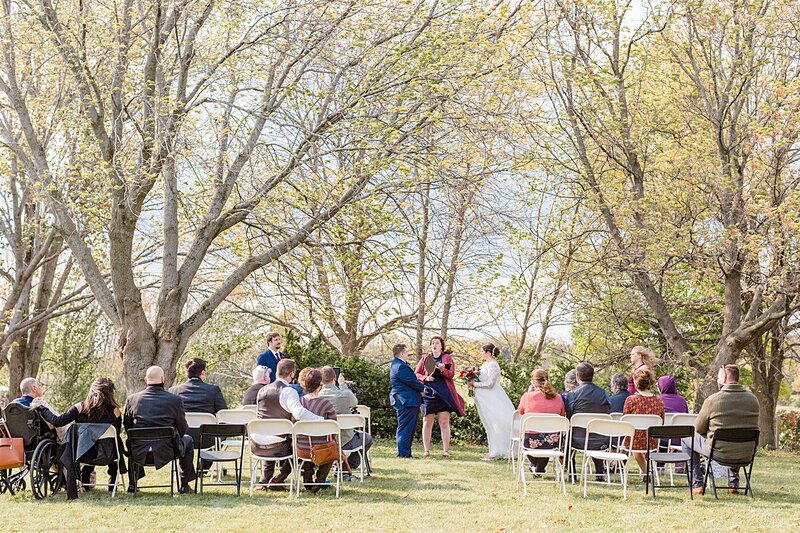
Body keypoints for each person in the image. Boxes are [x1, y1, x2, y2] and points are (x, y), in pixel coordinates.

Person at [35, 377, 126, 499]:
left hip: (83, 454)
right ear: (110, 392)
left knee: (90, 442)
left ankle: (85, 480)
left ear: (91, 391)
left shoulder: (81, 407)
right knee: (114, 442)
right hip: (108, 455)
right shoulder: (115, 411)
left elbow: (57, 421)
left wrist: (43, 409)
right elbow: (117, 433)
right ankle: (112, 481)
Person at [682, 365, 759, 495]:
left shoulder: (713, 400)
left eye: (718, 376)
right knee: (736, 438)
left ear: (723, 378)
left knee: (686, 439)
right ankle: (733, 484)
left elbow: (699, 428)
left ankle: (697, 484)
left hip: (719, 452)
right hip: (746, 452)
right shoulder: (753, 400)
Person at [123, 366, 196, 494]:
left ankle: (132, 485)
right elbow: (182, 428)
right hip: (167, 450)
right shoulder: (175, 400)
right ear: (163, 379)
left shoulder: (132, 400)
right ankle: (184, 485)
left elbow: (127, 427)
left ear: (146, 380)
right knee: (188, 440)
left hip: (139, 452)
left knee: (132, 440)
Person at [253, 358, 322, 490]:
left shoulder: (262, 390)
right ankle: (284, 480)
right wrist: (319, 419)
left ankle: (265, 480)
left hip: (257, 443)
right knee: (301, 446)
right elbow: (298, 413)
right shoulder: (289, 391)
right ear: (292, 374)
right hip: (278, 445)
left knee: (272, 435)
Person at [415, 336, 465, 458]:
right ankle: (426, 450)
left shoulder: (447, 358)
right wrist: (425, 378)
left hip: (444, 393)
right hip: (428, 393)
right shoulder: (425, 358)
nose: (434, 345)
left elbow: (451, 374)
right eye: (432, 343)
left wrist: (443, 371)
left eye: (437, 343)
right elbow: (416, 373)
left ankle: (446, 451)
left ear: (441, 346)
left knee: (444, 422)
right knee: (427, 422)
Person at [318, 366, 372, 476]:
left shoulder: (317, 396)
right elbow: (354, 402)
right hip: (345, 439)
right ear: (335, 377)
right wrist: (343, 385)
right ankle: (346, 467)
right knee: (367, 439)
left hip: (323, 440)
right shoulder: (344, 395)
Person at [295, 368, 338, 493]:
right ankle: (320, 480)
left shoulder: (298, 403)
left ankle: (307, 480)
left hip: (302, 450)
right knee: (331, 448)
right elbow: (334, 427)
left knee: (309, 444)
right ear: (320, 385)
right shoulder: (326, 404)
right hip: (323, 450)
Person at [469, 343, 515, 460]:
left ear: (488, 352)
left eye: (482, 351)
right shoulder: (485, 364)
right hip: (485, 398)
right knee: (489, 424)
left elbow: (490, 383)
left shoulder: (493, 365)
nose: (480, 353)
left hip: (493, 398)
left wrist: (475, 384)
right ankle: (493, 450)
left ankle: (497, 451)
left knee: (496, 422)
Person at [517, 369, 566, 474]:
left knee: (528, 440)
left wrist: (530, 393)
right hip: (552, 441)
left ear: (533, 382)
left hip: (530, 440)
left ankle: (537, 467)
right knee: (547, 440)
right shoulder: (558, 397)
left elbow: (521, 412)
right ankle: (539, 468)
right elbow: (562, 414)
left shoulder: (527, 396)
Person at [569, 362, 611, 481]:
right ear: (593, 376)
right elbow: (608, 411)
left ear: (577, 376)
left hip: (578, 439)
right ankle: (599, 473)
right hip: (600, 438)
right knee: (595, 435)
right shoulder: (603, 393)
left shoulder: (573, 394)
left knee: (566, 437)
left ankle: (572, 475)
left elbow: (569, 415)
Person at [622, 368, 665, 475]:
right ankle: (646, 473)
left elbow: (625, 421)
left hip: (634, 440)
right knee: (634, 441)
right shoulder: (659, 401)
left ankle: (646, 473)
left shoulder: (631, 400)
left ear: (636, 383)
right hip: (652, 439)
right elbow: (662, 421)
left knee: (631, 441)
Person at [390, 343, 424, 458]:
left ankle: (406, 452)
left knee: (407, 427)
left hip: (405, 400)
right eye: (406, 352)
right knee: (406, 428)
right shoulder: (401, 366)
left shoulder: (396, 364)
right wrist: (424, 387)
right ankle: (404, 453)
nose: (407, 354)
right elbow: (411, 381)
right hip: (406, 400)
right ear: (401, 353)